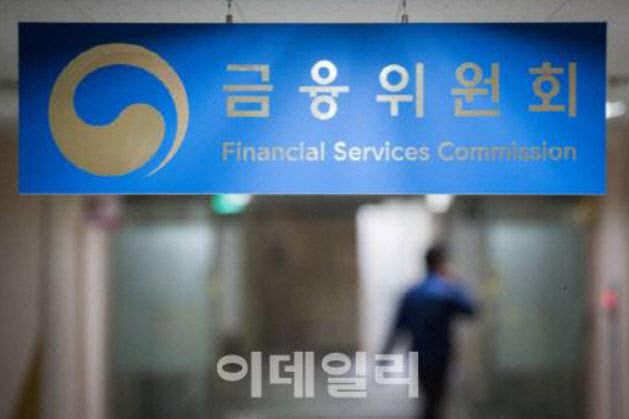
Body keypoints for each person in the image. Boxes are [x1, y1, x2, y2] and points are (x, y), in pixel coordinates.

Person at [382, 245, 476, 419]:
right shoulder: (448, 291)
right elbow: (471, 310)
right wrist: (457, 282)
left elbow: (397, 327)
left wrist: (385, 355)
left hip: (419, 355)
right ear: (443, 264)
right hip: (442, 355)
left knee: (428, 399)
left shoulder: (411, 293)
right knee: (436, 401)